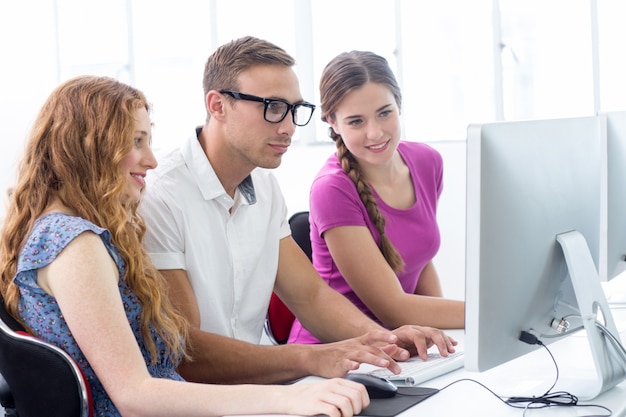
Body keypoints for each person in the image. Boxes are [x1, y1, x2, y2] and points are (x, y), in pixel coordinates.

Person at [0, 75, 370, 417]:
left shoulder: (56, 232)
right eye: (136, 142)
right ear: (90, 146)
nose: (152, 159)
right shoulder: (74, 244)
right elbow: (134, 395)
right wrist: (287, 398)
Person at [139, 36, 457, 385]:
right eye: (273, 107)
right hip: (201, 399)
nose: (288, 127)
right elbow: (188, 352)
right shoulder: (160, 197)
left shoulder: (263, 184)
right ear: (217, 105)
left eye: (294, 110)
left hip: (262, 388)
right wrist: (310, 357)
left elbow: (310, 296)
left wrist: (383, 342)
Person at [288, 51, 465, 345]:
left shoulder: (427, 161)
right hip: (339, 350)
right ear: (333, 122)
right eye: (356, 121)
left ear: (399, 105)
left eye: (385, 113)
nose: (375, 132)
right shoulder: (331, 190)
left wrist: (445, 335)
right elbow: (394, 308)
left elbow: (419, 263)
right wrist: (487, 312)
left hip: (404, 344)